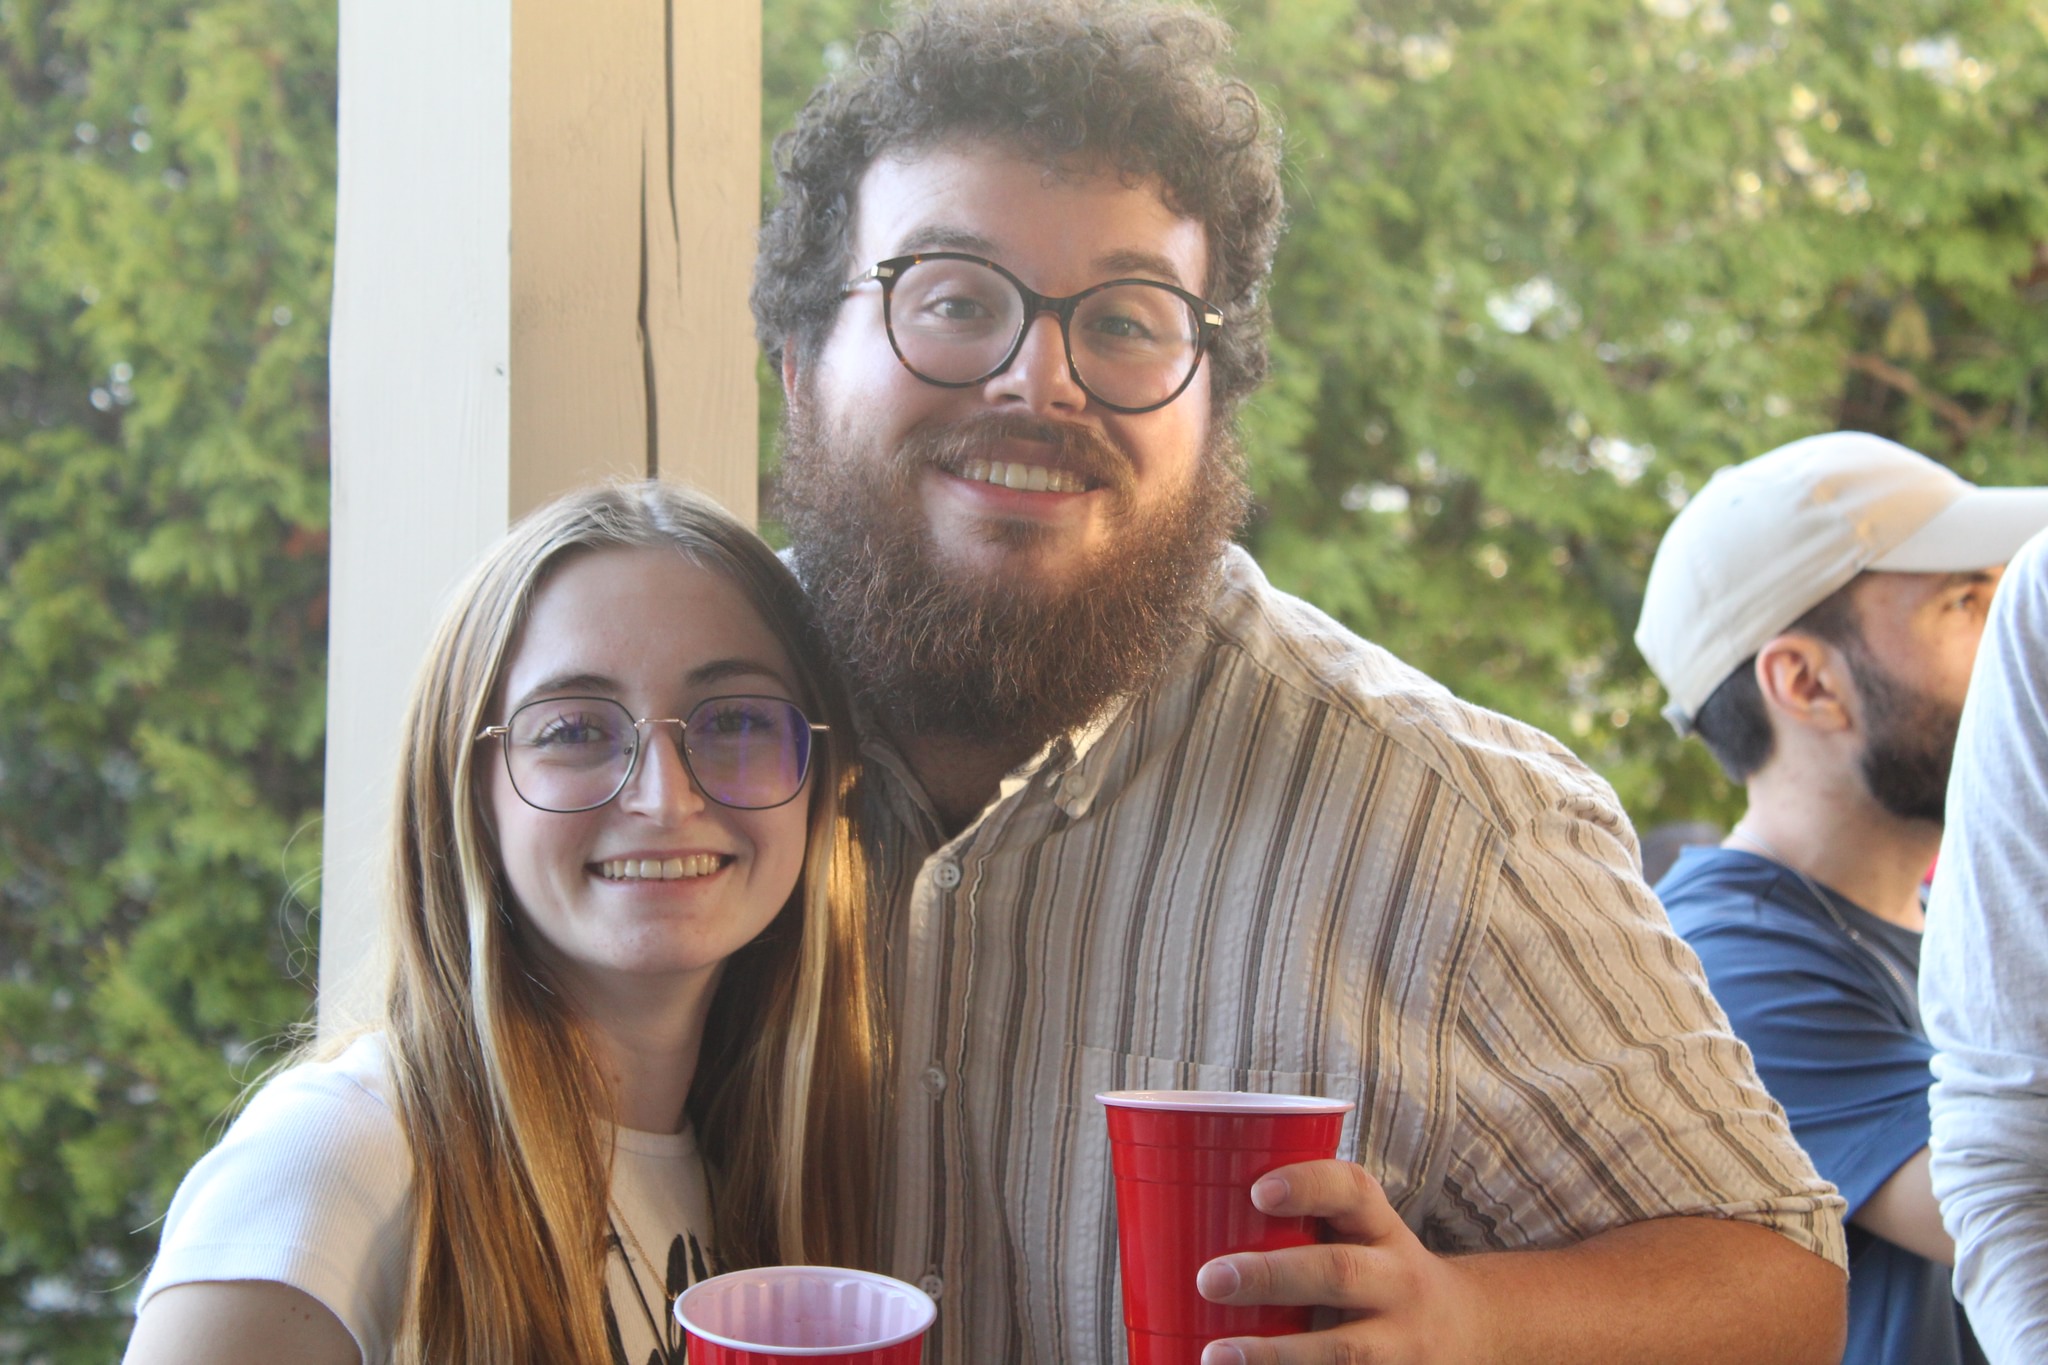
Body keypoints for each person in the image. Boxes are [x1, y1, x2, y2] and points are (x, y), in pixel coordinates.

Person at [753, 3, 1850, 1361]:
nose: (1040, 380)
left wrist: (1472, 1322)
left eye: (1128, 321)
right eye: (954, 301)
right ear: (798, 367)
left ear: (1216, 402)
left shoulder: (1454, 825)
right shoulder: (636, 766)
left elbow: (1782, 1284)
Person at [123, 483, 880, 1365]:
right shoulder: (337, 1160)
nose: (665, 797)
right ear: (469, 788)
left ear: (822, 777)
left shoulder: (758, 1173)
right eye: (574, 729)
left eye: (738, 720)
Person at [1636, 432, 2048, 1365]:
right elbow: (2010, 1193)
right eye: (1966, 603)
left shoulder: (1934, 924)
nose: (2015, 641)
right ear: (1808, 682)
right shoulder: (1723, 970)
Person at [1923, 524, 2048, 1363]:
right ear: (1804, 680)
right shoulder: (1752, 957)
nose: (1989, 622)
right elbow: (2008, 1150)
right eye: (1963, 601)